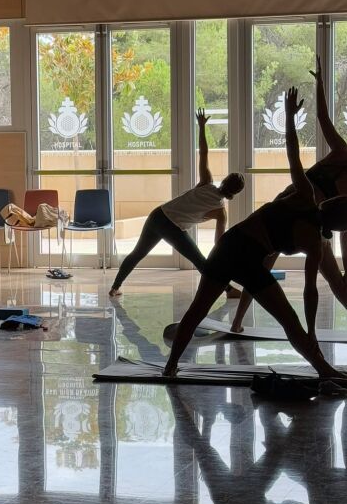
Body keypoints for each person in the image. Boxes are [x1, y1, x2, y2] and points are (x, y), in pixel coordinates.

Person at [164, 88, 347, 380]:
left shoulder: (317, 240)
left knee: (288, 321)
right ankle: (170, 366)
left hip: (244, 256)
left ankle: (325, 370)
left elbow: (310, 291)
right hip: (233, 249)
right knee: (200, 309)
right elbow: (293, 156)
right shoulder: (305, 198)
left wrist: (312, 330)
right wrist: (288, 118)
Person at [232, 56, 347, 331]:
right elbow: (322, 118)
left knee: (334, 281)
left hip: (316, 225)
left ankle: (238, 322)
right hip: (291, 205)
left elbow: (344, 230)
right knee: (263, 261)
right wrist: (319, 84)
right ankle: (236, 322)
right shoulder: (343, 153)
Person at [109, 109, 244, 298]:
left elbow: (203, 153)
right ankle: (229, 290)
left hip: (158, 215)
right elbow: (218, 242)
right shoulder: (221, 212)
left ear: (225, 181)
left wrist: (202, 127)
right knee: (199, 260)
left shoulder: (207, 182)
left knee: (137, 253)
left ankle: (115, 287)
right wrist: (223, 259)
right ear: (235, 193)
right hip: (171, 226)